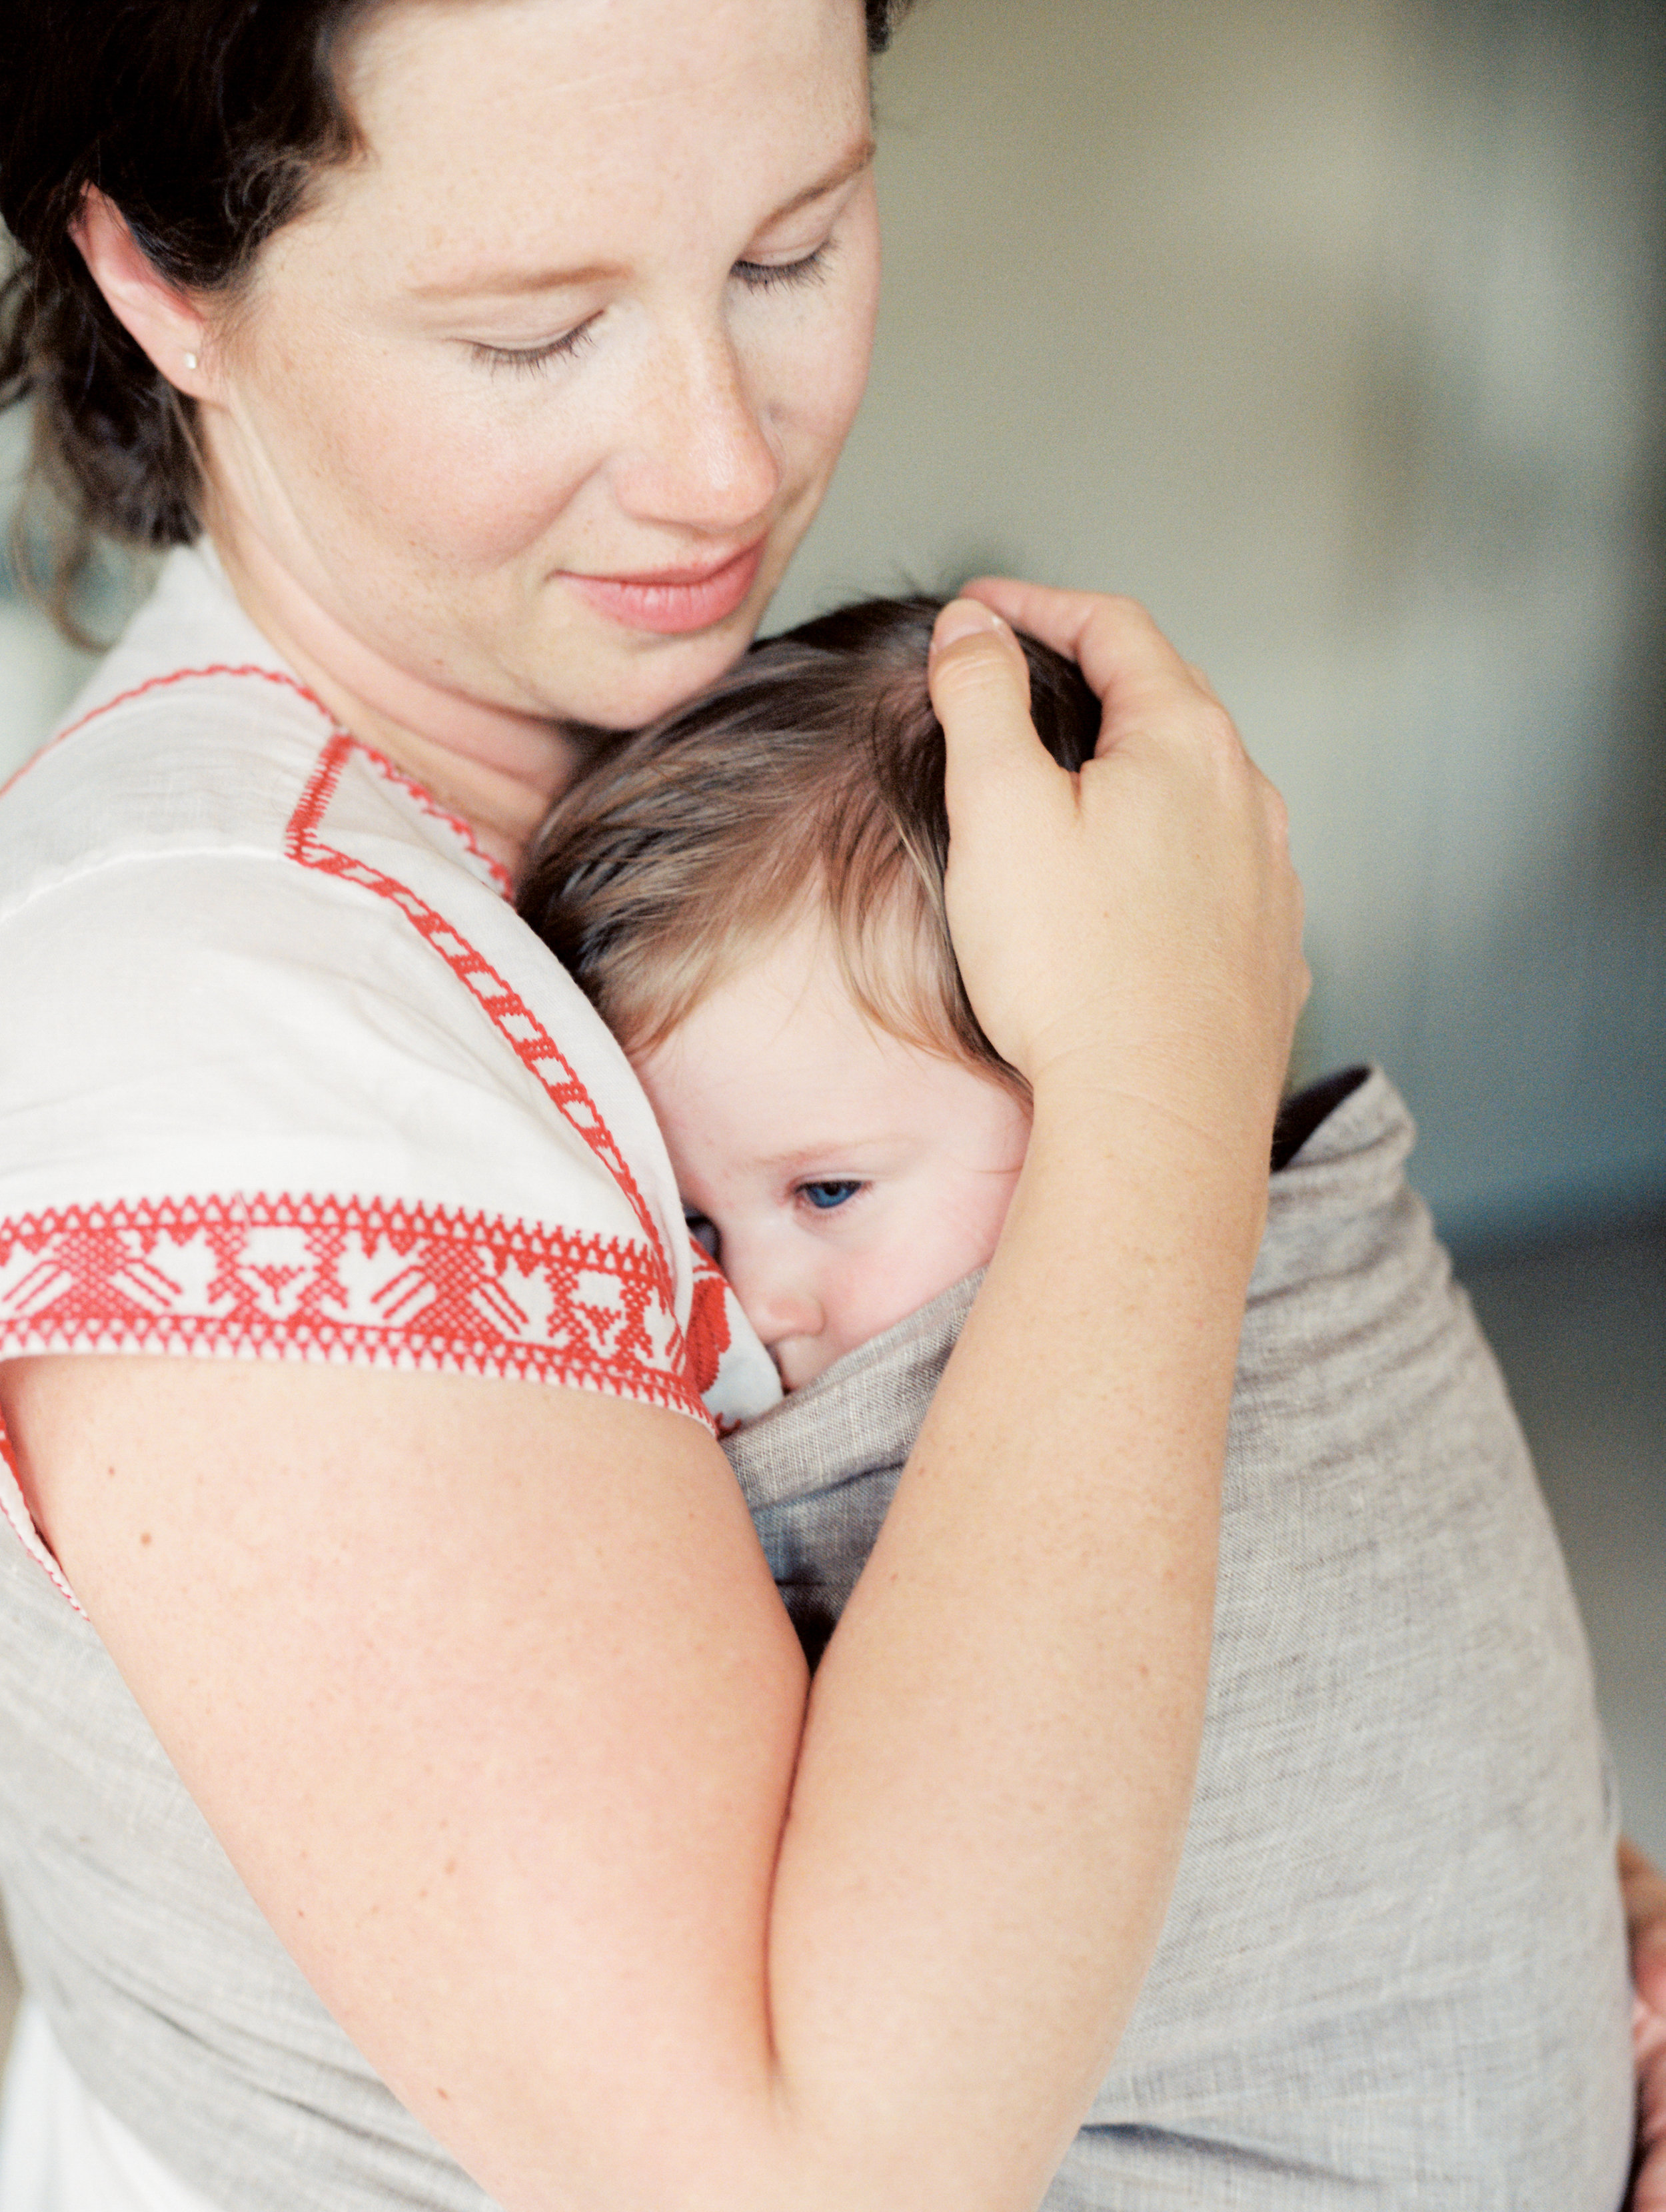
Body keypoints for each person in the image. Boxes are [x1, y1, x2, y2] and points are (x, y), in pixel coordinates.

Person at [0, 3, 1655, 2208]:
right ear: (152, 279)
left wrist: (1430, 1898)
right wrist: (1160, 1099)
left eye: (790, 252)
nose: (720, 461)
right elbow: (808, 2174)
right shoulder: (232, 1031)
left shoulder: (691, 777)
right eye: (531, 335)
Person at [520, 593, 1638, 2201]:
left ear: (1087, 1067)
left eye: (827, 1193)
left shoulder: (1242, 1281)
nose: (747, 1305)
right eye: (691, 1224)